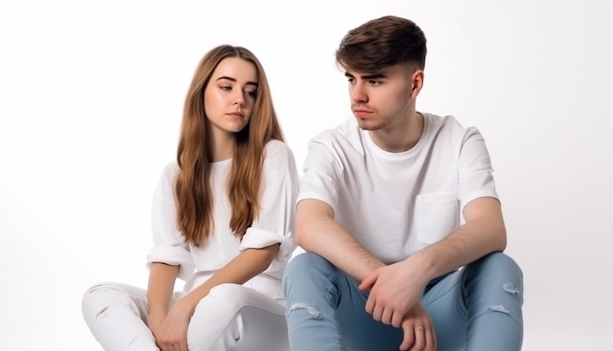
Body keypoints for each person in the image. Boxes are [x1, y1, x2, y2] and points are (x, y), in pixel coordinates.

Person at [282, 15, 524, 351]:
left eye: (375, 81)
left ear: (415, 84)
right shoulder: (331, 146)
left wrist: (415, 273)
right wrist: (391, 285)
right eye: (351, 80)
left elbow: (491, 229)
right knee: (304, 268)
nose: (358, 96)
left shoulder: (459, 140)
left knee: (500, 267)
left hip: (438, 318)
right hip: (363, 311)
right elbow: (309, 226)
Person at [82, 44, 299, 351]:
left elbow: (261, 253)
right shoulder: (176, 174)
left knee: (222, 299)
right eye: (226, 87)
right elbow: (166, 257)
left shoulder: (272, 155)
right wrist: (159, 318)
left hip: (256, 304)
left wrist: (185, 307)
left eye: (251, 92)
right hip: (199, 302)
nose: (239, 99)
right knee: (101, 295)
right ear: (202, 92)